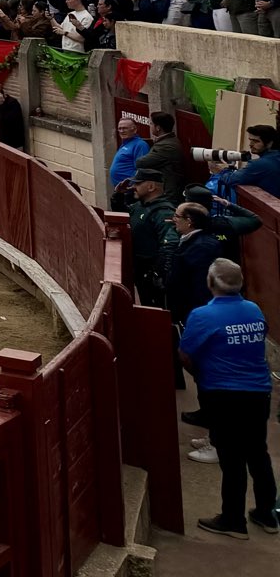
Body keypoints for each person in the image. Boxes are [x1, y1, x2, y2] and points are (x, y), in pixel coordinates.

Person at [177, 259, 277, 538]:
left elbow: (185, 354)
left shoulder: (202, 316)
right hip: (258, 391)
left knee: (232, 459)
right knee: (258, 453)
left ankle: (233, 521)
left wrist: (201, 376)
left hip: (223, 393)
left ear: (210, 284)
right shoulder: (253, 309)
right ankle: (266, 514)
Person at [126, 168, 177, 309]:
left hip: (151, 271)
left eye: (137, 184)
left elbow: (169, 243)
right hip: (141, 269)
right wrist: (118, 197)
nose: (133, 187)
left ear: (151, 186)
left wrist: (159, 273)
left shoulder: (163, 211)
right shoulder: (139, 206)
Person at [210, 123, 280, 202]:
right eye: (250, 140)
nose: (250, 144)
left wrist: (223, 170)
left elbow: (231, 180)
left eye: (256, 141)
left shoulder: (258, 164)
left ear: (269, 143)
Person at [133, 111, 185, 198]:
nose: (150, 126)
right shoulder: (165, 142)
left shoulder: (167, 146)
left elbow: (141, 163)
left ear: (158, 128)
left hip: (167, 193)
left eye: (151, 124)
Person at [108, 113, 151, 191]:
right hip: (121, 190)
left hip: (131, 190)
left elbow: (141, 169)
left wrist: (132, 185)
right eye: (119, 128)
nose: (121, 131)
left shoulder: (140, 145)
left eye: (125, 128)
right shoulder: (126, 143)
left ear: (134, 130)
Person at [0, 77, 28, 150]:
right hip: (0, 141)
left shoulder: (12, 103)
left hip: (12, 142)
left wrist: (1, 106)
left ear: (1, 92)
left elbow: (7, 121)